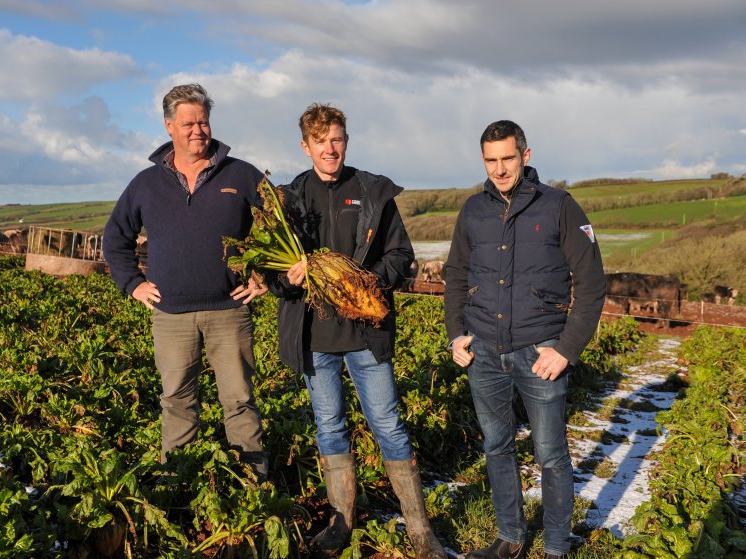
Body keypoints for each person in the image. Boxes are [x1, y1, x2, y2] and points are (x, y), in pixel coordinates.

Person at [270, 103, 446, 559]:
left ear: (346, 141)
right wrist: (286, 278)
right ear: (305, 146)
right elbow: (272, 277)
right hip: (316, 339)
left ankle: (420, 531)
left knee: (388, 424)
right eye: (321, 141)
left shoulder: (371, 192)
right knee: (329, 427)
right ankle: (339, 525)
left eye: (338, 139)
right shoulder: (288, 199)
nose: (331, 149)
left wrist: (364, 283)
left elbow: (400, 254)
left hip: (365, 334)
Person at [444, 120, 606, 559]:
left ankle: (556, 546)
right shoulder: (473, 210)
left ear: (526, 156)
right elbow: (456, 274)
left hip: (540, 352)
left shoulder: (559, 206)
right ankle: (510, 538)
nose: (499, 169)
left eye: (508, 158)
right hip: (482, 352)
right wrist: (456, 333)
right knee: (496, 447)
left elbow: (591, 284)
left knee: (550, 453)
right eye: (491, 160)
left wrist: (566, 349)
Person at [103, 83, 269, 478]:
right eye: (188, 123)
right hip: (171, 315)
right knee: (176, 401)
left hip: (229, 310)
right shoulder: (145, 183)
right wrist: (133, 283)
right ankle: (178, 482)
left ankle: (254, 488)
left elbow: (280, 230)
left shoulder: (241, 175)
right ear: (169, 127)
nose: (198, 130)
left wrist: (264, 276)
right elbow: (115, 238)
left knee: (240, 401)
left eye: (204, 122)